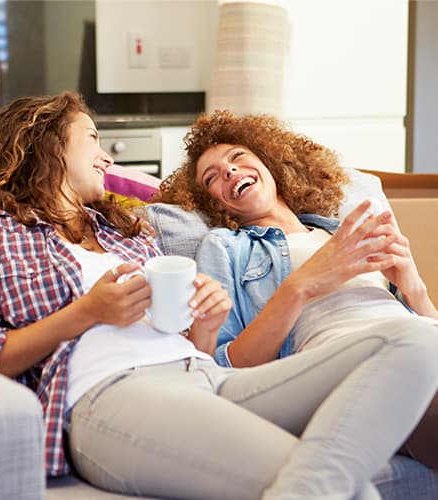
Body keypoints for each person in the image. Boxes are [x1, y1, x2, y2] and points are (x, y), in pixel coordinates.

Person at [0, 93, 437, 500]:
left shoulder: (124, 232)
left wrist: (202, 323)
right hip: (110, 393)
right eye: (93, 137)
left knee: (414, 343)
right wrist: (86, 313)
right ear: (44, 142)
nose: (106, 156)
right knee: (347, 491)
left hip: (204, 377)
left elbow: (189, 346)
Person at [154, 109, 438, 473]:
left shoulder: (341, 231)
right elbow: (223, 365)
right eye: (212, 177)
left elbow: (426, 324)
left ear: (270, 164)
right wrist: (302, 285)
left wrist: (414, 287)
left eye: (238, 157)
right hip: (349, 360)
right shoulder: (226, 247)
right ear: (214, 202)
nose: (228, 170)